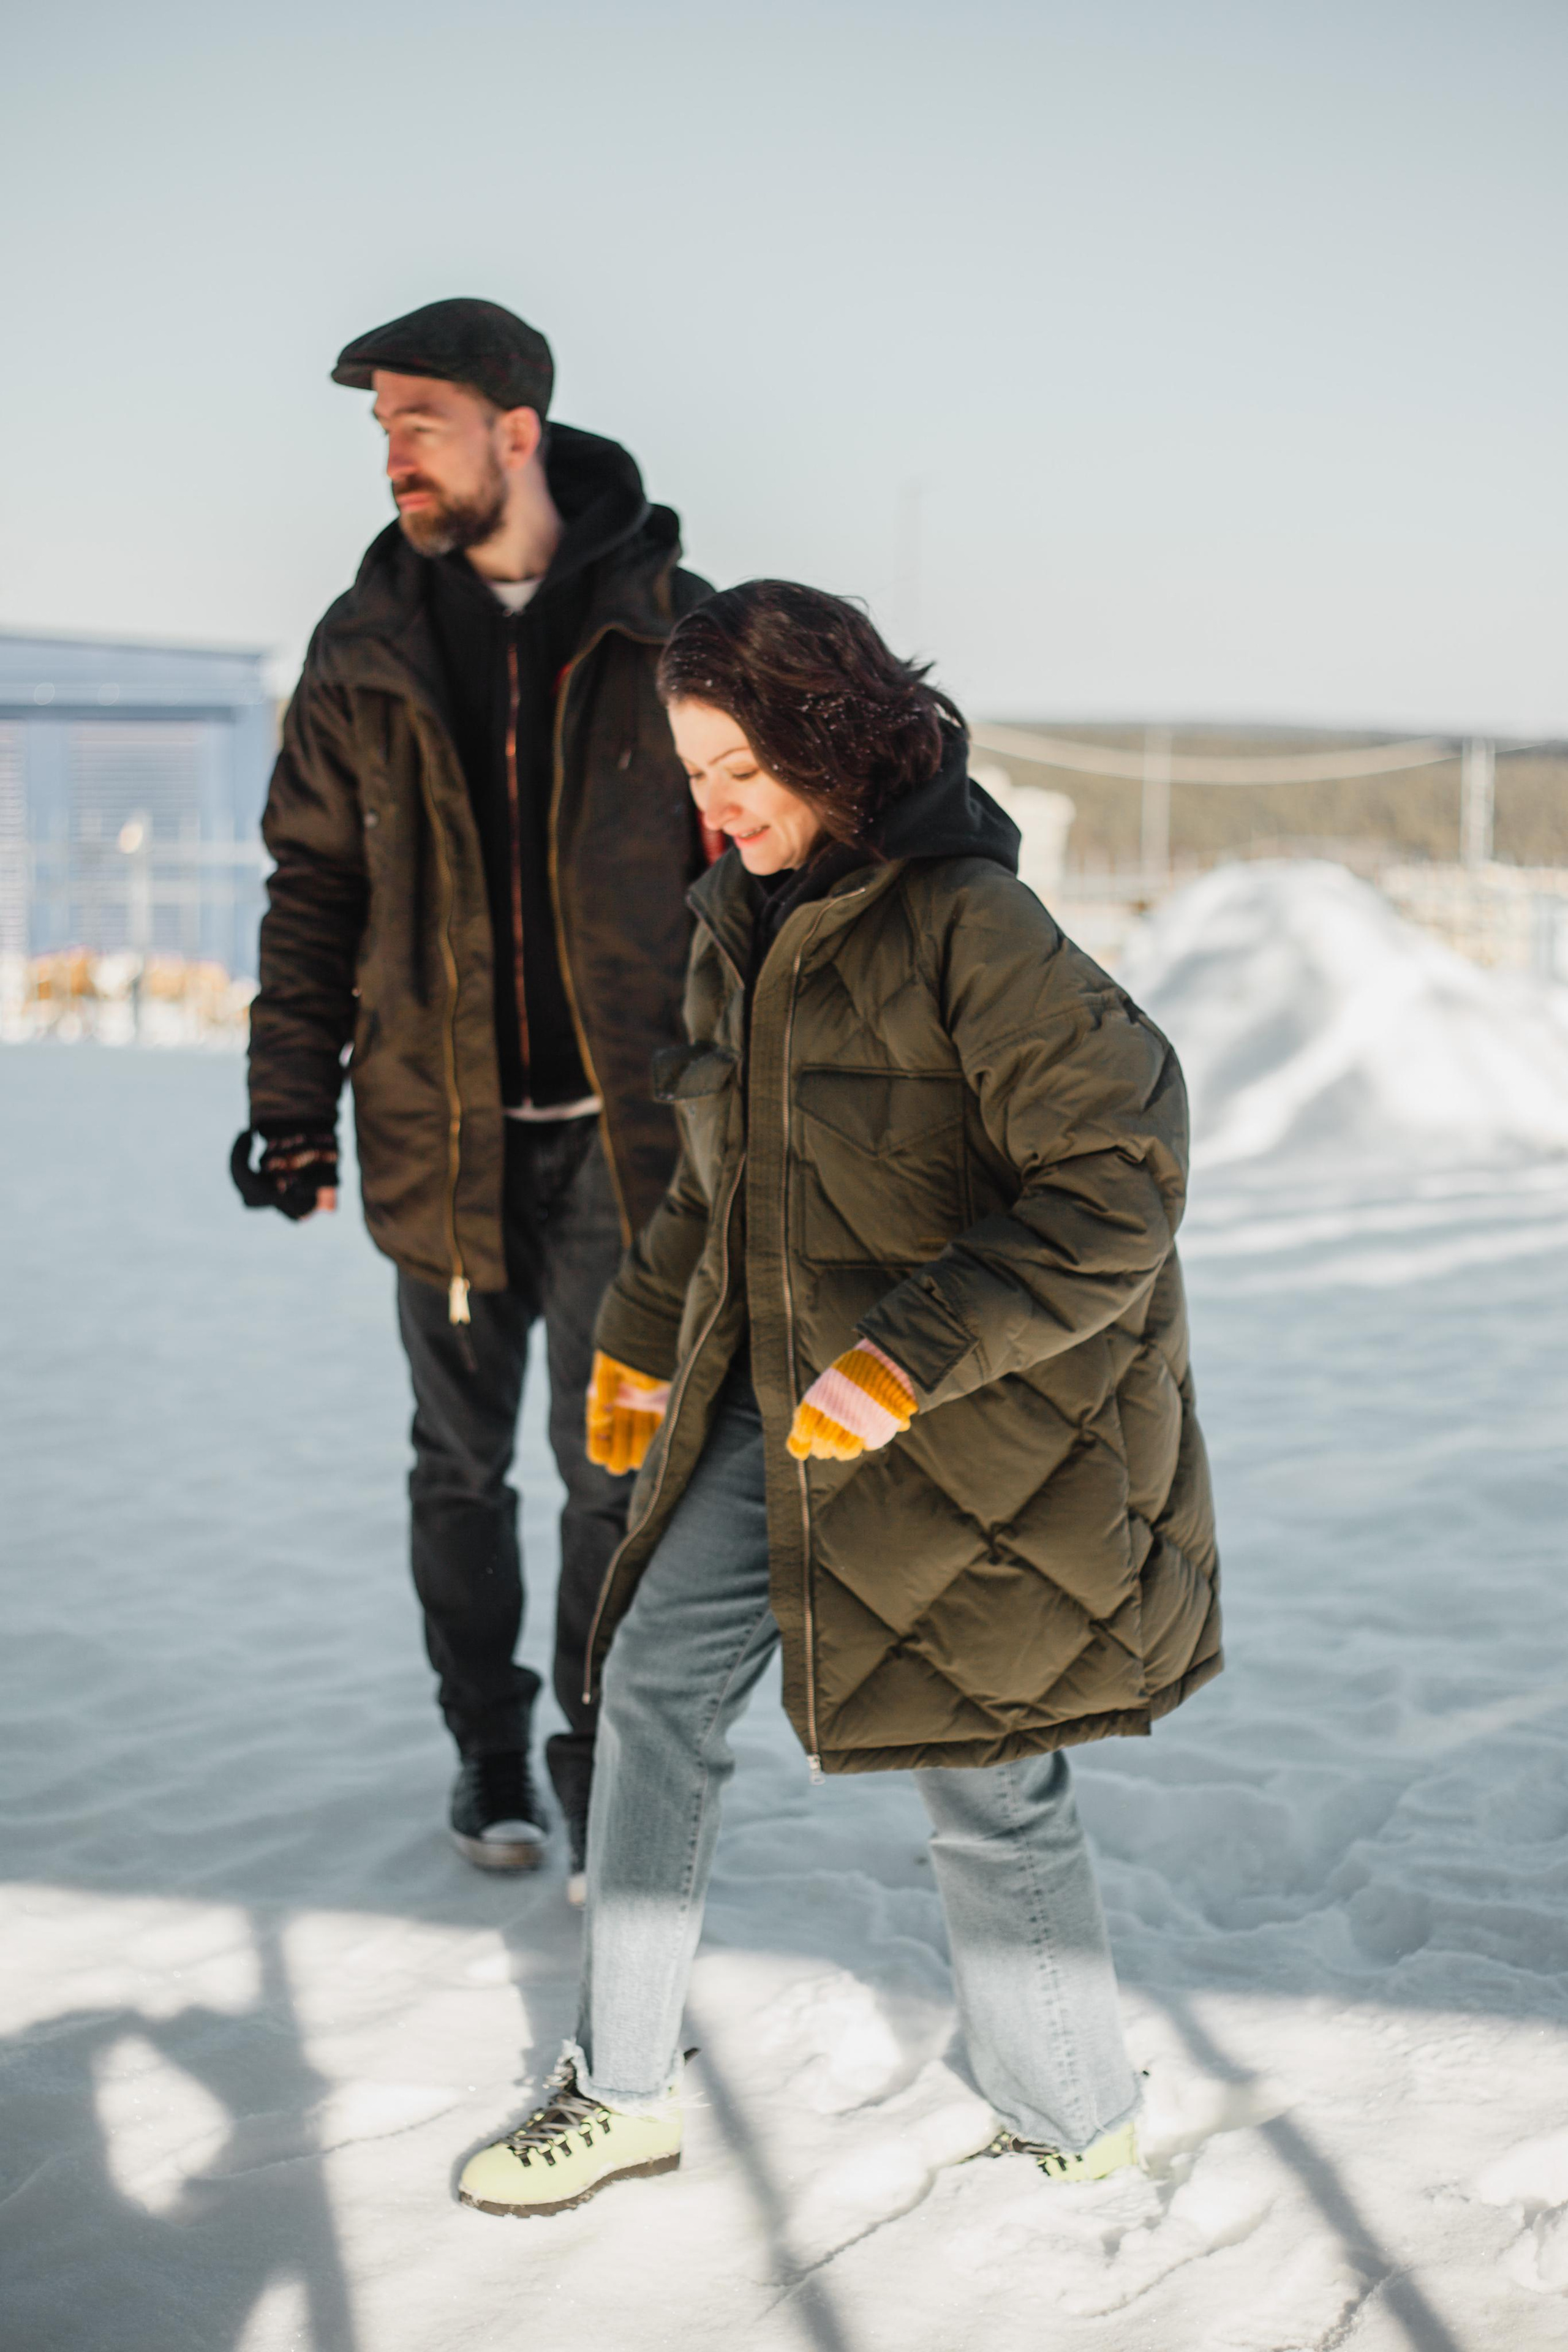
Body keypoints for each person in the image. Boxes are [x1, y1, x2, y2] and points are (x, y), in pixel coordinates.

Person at [456, 581, 1221, 2216]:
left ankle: (1076, 2114)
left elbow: (1119, 1181)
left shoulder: (974, 928)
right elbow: (713, 1186)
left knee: (988, 1772)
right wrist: (642, 1338)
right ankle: (629, 2088)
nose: (712, 807)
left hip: (979, 1433)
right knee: (655, 1680)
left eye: (737, 767)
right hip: (782, 1407)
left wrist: (910, 1358)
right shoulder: (746, 920)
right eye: (691, 772)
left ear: (828, 740)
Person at [233, 299, 712, 1894]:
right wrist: (291, 1102)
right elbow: (313, 886)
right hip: (438, 1142)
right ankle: (488, 1751)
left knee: (611, 1476)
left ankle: (595, 1758)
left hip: (627, 1156)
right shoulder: (365, 643)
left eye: (415, 420)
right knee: (457, 1469)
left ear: (515, 429)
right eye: (378, 428)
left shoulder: (671, 625)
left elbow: (783, 852)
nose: (392, 455)